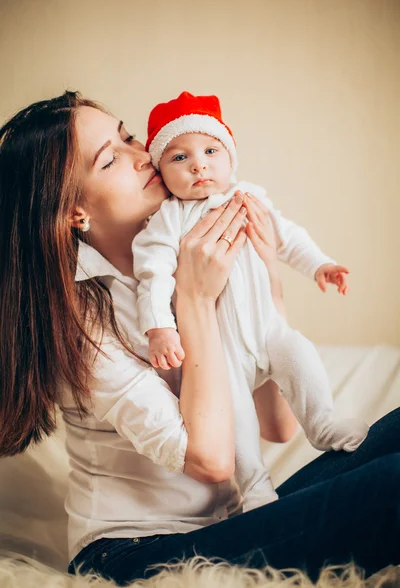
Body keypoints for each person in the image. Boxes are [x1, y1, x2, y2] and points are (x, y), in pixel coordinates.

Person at [0, 91, 398, 588]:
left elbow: (279, 427)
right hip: (133, 555)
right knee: (390, 486)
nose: (143, 153)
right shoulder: (82, 322)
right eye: (111, 158)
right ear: (74, 213)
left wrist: (266, 275)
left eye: (128, 136)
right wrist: (192, 303)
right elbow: (211, 462)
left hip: (227, 524)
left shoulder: (188, 249)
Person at [132, 91, 369, 511]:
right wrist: (159, 327)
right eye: (179, 158)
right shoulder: (167, 220)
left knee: (300, 353)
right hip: (220, 354)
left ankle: (323, 424)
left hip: (268, 330)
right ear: (161, 174)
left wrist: (320, 265)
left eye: (210, 150)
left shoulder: (248, 197)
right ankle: (255, 487)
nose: (199, 164)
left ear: (230, 158)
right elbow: (151, 274)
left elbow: (286, 236)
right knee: (235, 415)